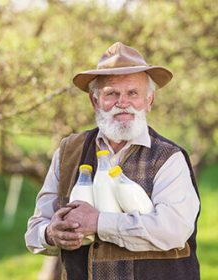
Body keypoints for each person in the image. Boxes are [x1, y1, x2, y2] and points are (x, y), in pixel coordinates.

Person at [25, 42, 200, 280]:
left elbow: (173, 230)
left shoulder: (168, 158)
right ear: (95, 101)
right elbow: (35, 229)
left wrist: (98, 223)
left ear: (149, 101)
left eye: (133, 93)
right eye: (111, 94)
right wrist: (50, 234)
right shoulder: (68, 153)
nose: (122, 102)